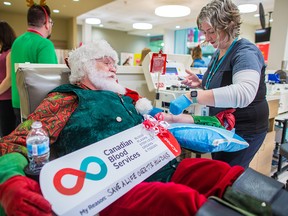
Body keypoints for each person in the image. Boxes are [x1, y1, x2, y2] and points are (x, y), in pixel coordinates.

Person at [0, 40, 245, 215]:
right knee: (180, 202)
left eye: (114, 63)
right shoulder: (65, 99)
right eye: (106, 63)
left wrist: (212, 122)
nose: (114, 68)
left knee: (221, 172)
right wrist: (10, 181)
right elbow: (17, 141)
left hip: (162, 167)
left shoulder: (128, 98)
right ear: (84, 67)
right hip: (112, 187)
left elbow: (167, 119)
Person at [169, 0, 269, 169]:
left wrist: (192, 96)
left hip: (246, 129)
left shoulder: (246, 52)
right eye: (204, 32)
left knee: (228, 175)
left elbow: (243, 93)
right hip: (223, 125)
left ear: (229, 25)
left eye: (211, 32)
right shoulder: (218, 53)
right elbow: (222, 84)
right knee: (220, 168)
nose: (207, 38)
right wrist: (202, 83)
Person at [10, 2, 58, 126]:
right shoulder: (44, 44)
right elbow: (50, 81)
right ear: (47, 23)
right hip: (37, 106)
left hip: (17, 102)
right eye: (51, 23)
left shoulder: (17, 42)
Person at [0, 21, 16, 137]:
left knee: (6, 132)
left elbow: (9, 79)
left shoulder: (10, 53)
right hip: (2, 97)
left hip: (6, 98)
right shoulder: (4, 53)